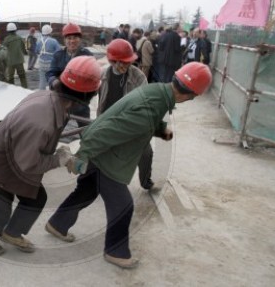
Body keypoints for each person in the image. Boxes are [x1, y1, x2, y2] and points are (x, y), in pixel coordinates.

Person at [46, 62, 212, 269]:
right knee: (123, 205)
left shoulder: (157, 91)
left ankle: (57, 224)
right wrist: (83, 154)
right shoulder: (152, 107)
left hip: (101, 151)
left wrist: (161, 129)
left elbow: (144, 116)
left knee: (86, 192)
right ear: (191, 96)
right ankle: (115, 252)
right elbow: (109, 131)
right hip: (105, 157)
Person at [0, 56, 101, 256]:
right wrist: (60, 159)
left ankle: (11, 232)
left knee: (36, 198)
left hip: (16, 158)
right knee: (0, 208)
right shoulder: (41, 120)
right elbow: (29, 163)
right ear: (87, 95)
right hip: (0, 167)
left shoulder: (51, 98)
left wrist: (61, 152)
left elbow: (34, 145)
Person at [96, 39, 156, 190]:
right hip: (107, 122)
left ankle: (145, 180)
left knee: (146, 152)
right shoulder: (102, 75)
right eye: (119, 62)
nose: (123, 66)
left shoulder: (138, 77)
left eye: (127, 62)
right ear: (111, 61)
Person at [46, 23, 93, 127]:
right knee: (55, 130)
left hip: (80, 103)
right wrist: (53, 81)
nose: (72, 41)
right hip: (62, 101)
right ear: (64, 40)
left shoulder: (87, 55)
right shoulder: (58, 55)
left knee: (86, 131)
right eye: (69, 38)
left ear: (80, 39)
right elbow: (51, 73)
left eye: (75, 38)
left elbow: (93, 79)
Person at [35, 24, 61, 90]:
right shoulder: (54, 41)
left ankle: (41, 95)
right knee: (52, 80)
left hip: (41, 63)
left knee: (42, 81)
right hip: (51, 64)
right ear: (50, 32)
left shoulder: (39, 41)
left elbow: (36, 51)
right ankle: (52, 95)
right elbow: (59, 52)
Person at [3, 22, 28, 88]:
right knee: (22, 76)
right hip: (19, 60)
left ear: (8, 30)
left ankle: (12, 90)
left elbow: (3, 50)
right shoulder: (19, 38)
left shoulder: (6, 39)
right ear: (15, 29)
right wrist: (25, 53)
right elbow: (23, 49)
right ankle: (25, 89)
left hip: (10, 61)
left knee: (10, 78)